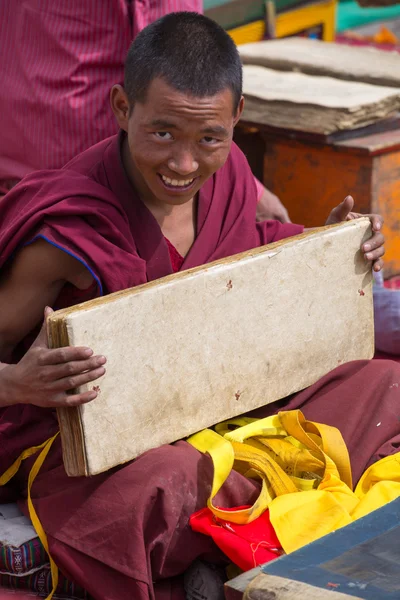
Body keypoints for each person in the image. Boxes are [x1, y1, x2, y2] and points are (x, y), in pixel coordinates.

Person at [0, 13, 395, 600]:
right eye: (162, 134)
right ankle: (220, 535)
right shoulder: (67, 226)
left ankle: (210, 543)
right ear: (121, 109)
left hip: (225, 407)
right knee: (171, 481)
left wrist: (331, 248)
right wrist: (18, 384)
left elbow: (256, 249)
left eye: (208, 138)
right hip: (108, 452)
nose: (183, 165)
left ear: (237, 118)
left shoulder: (231, 174)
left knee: (384, 385)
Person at [0, 0, 288, 223]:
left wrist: (243, 190)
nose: (185, 164)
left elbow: (189, 100)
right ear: (121, 107)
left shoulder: (201, 169)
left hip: (154, 190)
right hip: (40, 179)